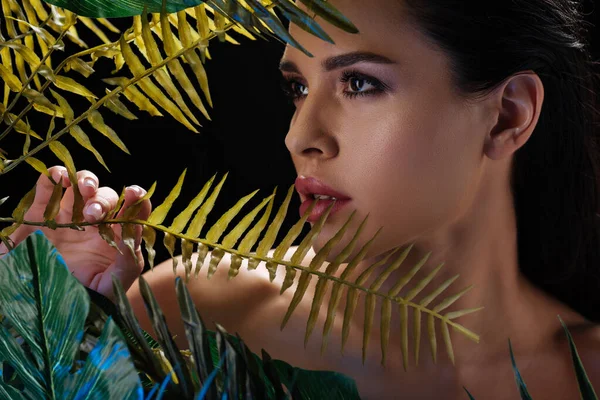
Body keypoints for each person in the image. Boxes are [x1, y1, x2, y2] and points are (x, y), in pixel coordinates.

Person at [4, 0, 600, 398]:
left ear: (507, 115)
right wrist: (49, 329)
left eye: (359, 83)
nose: (299, 137)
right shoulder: (195, 315)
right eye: (298, 88)